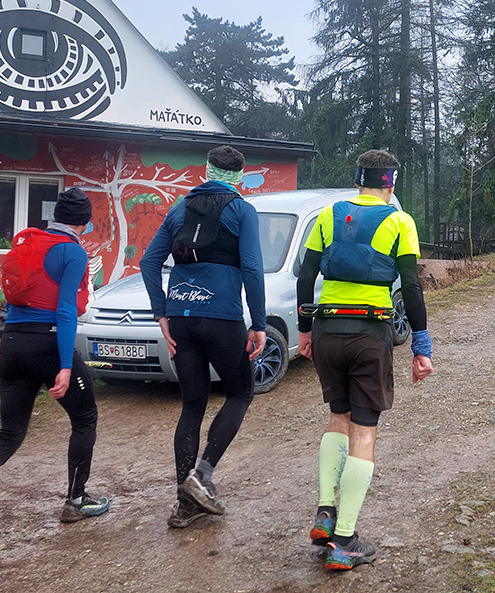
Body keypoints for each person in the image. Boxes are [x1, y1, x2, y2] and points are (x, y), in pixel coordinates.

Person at [0, 187, 109, 554]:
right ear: (84, 222)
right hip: (48, 342)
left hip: (12, 342)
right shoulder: (73, 251)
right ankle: (76, 500)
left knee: (9, 434)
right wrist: (63, 365)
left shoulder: (28, 244)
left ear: (55, 216)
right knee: (85, 417)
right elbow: (65, 310)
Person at [296, 149, 434, 571]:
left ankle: (325, 511)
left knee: (337, 417)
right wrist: (421, 345)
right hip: (369, 334)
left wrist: (305, 331)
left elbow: (306, 275)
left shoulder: (327, 215)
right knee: (364, 431)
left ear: (358, 179)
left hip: (326, 329)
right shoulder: (400, 221)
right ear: (391, 182)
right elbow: (410, 286)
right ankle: (344, 541)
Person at [140, 145, 267, 528]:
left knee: (192, 406)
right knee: (240, 393)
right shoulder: (242, 210)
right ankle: (202, 476)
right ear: (239, 176)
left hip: (181, 316)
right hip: (222, 317)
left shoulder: (179, 208)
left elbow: (149, 261)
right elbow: (252, 269)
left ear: (207, 170)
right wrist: (259, 323)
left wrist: (161, 312)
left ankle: (185, 503)